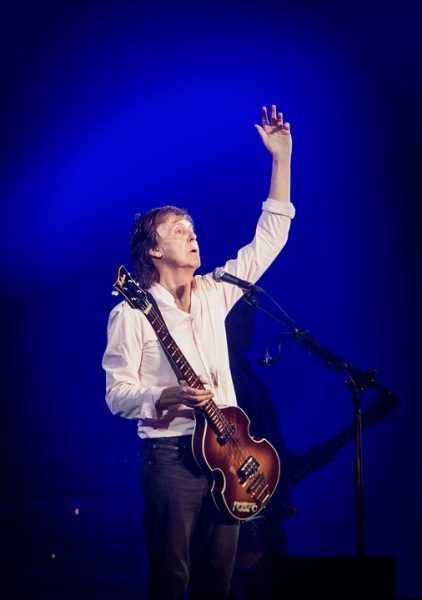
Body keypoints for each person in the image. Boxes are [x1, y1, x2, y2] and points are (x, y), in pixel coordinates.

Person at [102, 104, 295, 600]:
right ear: (153, 249)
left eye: (193, 229)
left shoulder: (214, 292)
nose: (193, 235)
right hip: (172, 456)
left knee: (219, 583)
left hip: (230, 455)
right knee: (172, 581)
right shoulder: (131, 313)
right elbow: (117, 395)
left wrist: (281, 159)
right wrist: (163, 397)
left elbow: (269, 239)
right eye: (179, 230)